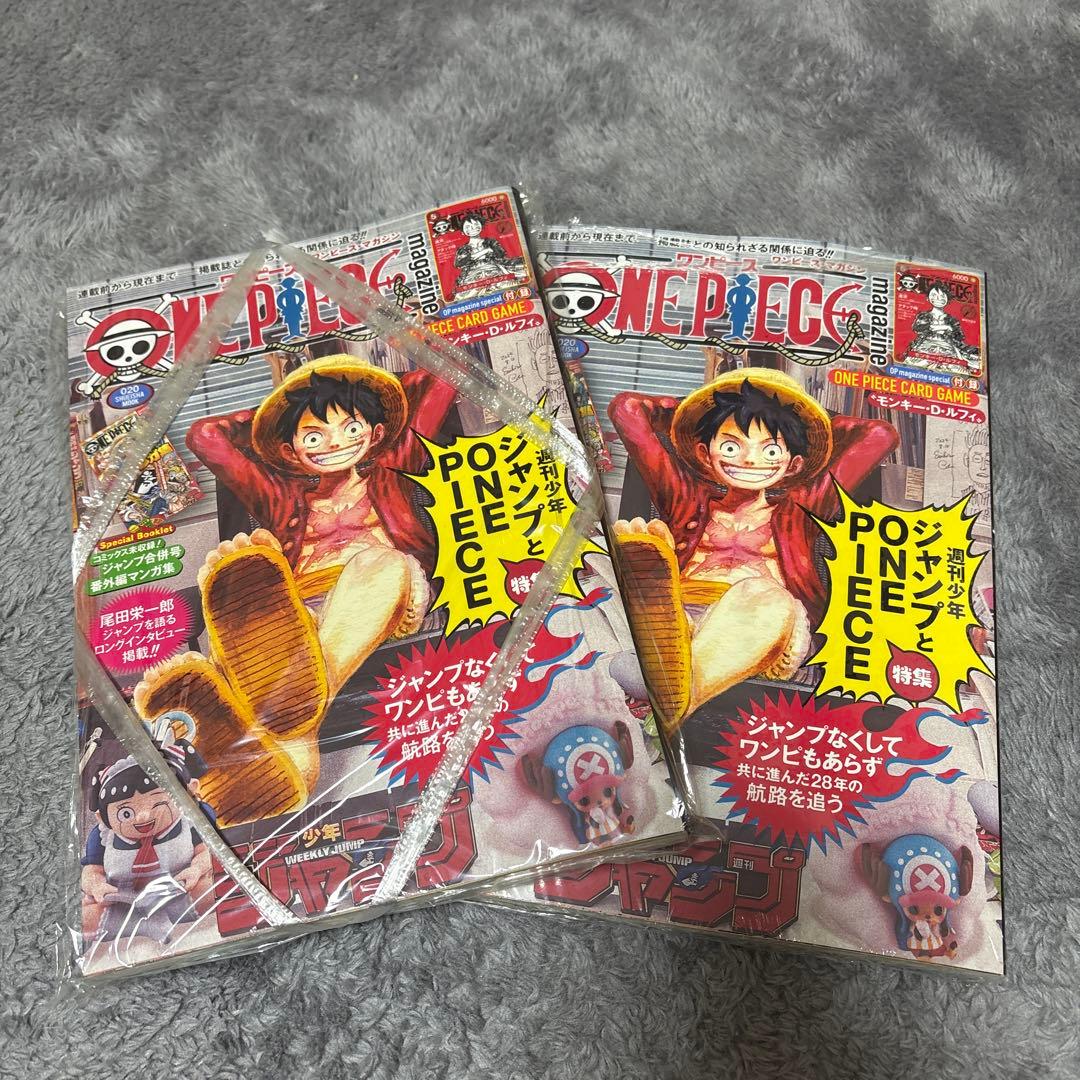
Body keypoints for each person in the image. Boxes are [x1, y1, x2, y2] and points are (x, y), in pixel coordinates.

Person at [133, 356, 458, 824]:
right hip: (290, 614)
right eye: (313, 437)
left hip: (378, 596)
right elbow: (205, 435)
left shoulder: (397, 461)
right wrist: (282, 410)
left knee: (378, 563)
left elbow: (444, 374)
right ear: (290, 450)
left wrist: (349, 388)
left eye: (350, 428)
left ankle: (283, 715)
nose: (335, 443)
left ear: (376, 433)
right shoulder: (279, 493)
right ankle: (288, 758)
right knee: (256, 611)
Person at [608, 368, 899, 733]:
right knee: (650, 559)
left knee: (763, 595)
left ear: (793, 464)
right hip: (679, 614)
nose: (749, 459)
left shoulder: (802, 508)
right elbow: (626, 408)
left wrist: (798, 417)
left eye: (770, 449)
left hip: (761, 629)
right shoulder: (684, 497)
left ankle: (669, 695)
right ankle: (672, 678)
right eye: (731, 446)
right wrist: (699, 412)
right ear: (704, 453)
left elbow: (880, 434)